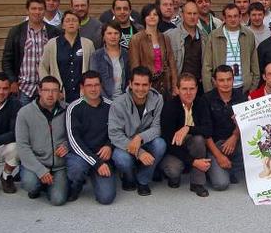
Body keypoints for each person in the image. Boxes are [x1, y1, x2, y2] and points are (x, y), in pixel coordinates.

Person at [108, 66, 166, 196]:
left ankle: (143, 180)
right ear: (130, 84)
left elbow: (157, 128)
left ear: (150, 85)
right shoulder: (118, 103)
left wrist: (139, 137)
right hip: (125, 143)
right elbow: (115, 135)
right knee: (121, 158)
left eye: (145, 85)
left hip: (146, 140)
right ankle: (128, 177)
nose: (140, 89)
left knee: (160, 144)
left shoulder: (158, 99)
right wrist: (139, 152)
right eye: (137, 84)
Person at [64, 71, 116, 204]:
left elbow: (118, 132)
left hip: (103, 156)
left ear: (101, 86)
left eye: (96, 85)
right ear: (82, 87)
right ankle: (76, 185)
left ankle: (96, 176)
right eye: (89, 85)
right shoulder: (73, 108)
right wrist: (96, 163)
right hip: (81, 155)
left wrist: (109, 145)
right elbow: (74, 141)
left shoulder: (111, 106)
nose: (93, 89)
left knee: (106, 198)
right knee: (77, 169)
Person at [16, 76, 69, 205]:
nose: (50, 94)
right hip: (36, 163)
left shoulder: (67, 110)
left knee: (58, 200)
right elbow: (22, 146)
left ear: (60, 93)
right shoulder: (25, 113)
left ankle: (50, 184)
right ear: (39, 91)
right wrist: (40, 171)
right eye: (46, 90)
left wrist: (67, 145)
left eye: (55, 90)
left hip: (59, 165)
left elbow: (75, 135)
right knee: (30, 184)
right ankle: (38, 185)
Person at [2, 0, 61, 105]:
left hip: (46, 88)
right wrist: (12, 81)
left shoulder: (54, 32)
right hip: (23, 89)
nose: (37, 12)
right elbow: (7, 60)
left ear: (44, 10)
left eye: (40, 9)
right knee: (23, 119)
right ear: (27, 10)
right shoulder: (16, 32)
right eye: (33, 8)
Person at [160, 73, 211, 196]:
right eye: (184, 89)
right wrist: (194, 162)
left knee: (199, 139)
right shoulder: (169, 107)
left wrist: (188, 128)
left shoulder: (201, 103)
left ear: (197, 89)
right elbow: (168, 142)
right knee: (173, 170)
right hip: (174, 149)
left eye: (192, 88)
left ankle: (197, 183)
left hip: (193, 145)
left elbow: (208, 129)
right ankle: (174, 177)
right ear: (177, 90)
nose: (188, 92)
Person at [194, 65, 245, 190]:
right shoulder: (206, 99)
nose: (226, 83)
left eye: (229, 79)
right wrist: (219, 156)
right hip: (214, 146)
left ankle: (229, 168)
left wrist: (235, 135)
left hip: (235, 143)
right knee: (221, 184)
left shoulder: (241, 97)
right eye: (221, 80)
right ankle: (218, 168)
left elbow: (247, 121)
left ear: (233, 80)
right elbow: (205, 133)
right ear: (214, 81)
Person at [39, 10, 95, 104]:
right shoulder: (52, 44)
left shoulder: (88, 44)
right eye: (67, 21)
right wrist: (50, 89)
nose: (71, 23)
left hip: (82, 94)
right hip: (60, 94)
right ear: (63, 25)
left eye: (74, 20)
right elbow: (43, 67)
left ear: (79, 25)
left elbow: (92, 69)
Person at [202, 3, 260, 94]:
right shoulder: (214, 36)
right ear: (224, 18)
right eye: (229, 16)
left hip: (243, 88)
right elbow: (207, 66)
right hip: (219, 88)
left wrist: (253, 88)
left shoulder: (249, 35)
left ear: (240, 17)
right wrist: (209, 91)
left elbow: (254, 63)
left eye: (235, 16)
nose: (233, 19)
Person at [128, 4, 178, 97]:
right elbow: (135, 66)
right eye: (148, 15)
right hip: (146, 85)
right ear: (144, 18)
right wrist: (139, 86)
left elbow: (172, 64)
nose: (152, 17)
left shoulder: (165, 38)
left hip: (164, 85)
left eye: (155, 14)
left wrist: (175, 85)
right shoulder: (136, 39)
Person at [165, 0, 204, 95]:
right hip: (177, 88)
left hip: (198, 88)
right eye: (189, 13)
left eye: (195, 13)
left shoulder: (205, 38)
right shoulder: (170, 36)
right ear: (182, 15)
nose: (192, 17)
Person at [90, 21, 130, 100]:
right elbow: (94, 80)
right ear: (103, 36)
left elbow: (130, 78)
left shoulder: (126, 54)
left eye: (116, 33)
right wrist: (106, 100)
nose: (113, 36)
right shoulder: (96, 56)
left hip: (124, 99)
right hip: (103, 100)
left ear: (120, 36)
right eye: (109, 33)